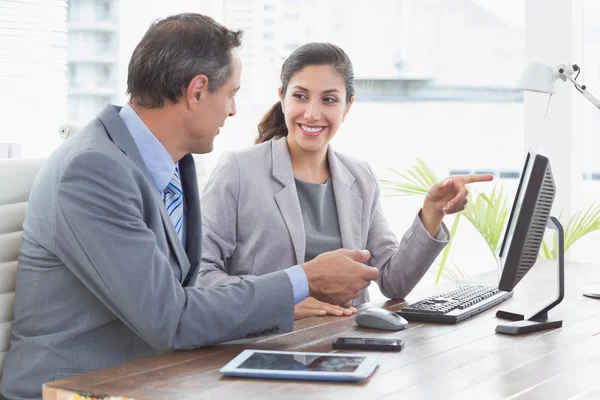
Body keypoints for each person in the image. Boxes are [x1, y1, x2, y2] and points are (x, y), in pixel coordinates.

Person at [0, 15, 380, 400]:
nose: (233, 110)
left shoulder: (173, 164)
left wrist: (284, 302)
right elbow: (171, 317)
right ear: (197, 91)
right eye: (231, 93)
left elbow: (187, 296)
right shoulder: (93, 170)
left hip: (157, 377)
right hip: (76, 389)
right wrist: (303, 281)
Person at [198, 42, 494, 320]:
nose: (312, 114)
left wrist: (432, 211)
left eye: (329, 100)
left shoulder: (359, 176)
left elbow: (393, 281)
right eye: (300, 96)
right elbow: (201, 275)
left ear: (347, 106)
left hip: (348, 344)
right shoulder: (238, 170)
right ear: (282, 98)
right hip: (267, 341)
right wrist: (282, 298)